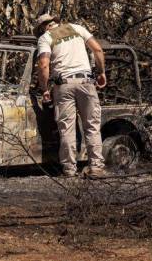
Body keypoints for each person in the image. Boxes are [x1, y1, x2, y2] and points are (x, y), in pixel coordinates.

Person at [34, 13, 107, 178]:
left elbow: (44, 64)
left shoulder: (45, 38)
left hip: (64, 85)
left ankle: (69, 170)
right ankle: (96, 167)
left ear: (42, 28)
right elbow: (97, 49)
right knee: (92, 126)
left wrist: (45, 89)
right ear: (56, 22)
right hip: (87, 82)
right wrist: (101, 72)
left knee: (67, 129)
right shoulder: (77, 28)